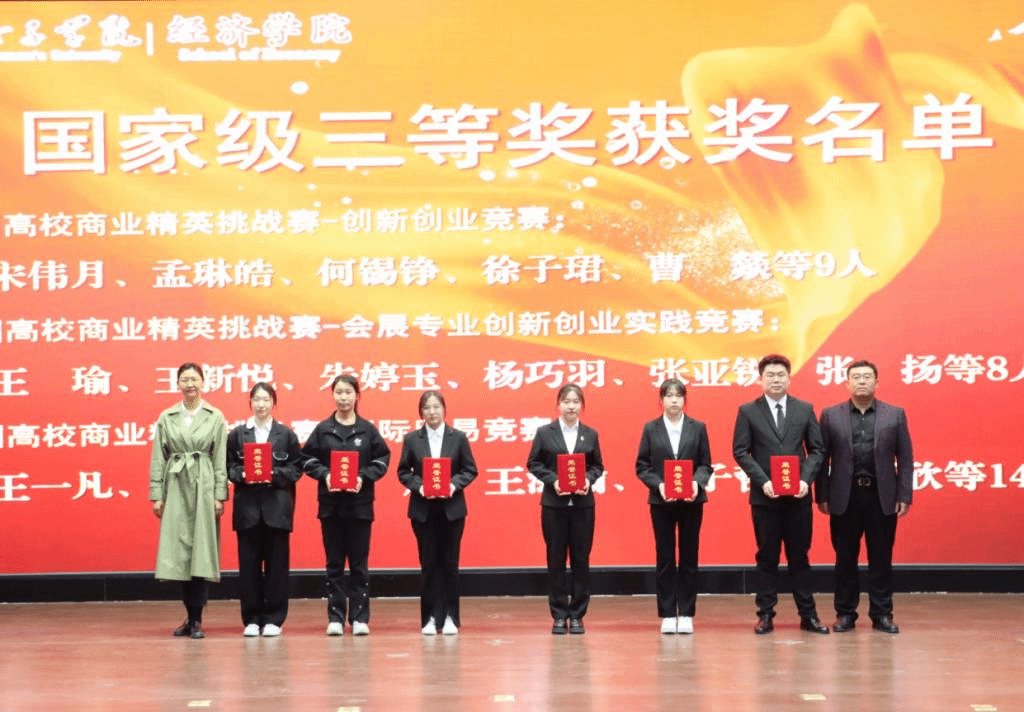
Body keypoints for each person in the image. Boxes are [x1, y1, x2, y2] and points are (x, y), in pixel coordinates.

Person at [732, 354, 827, 635]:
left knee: (800, 557)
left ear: (789, 378)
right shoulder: (748, 411)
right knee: (767, 557)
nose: (776, 379)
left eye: (781, 374)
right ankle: (765, 615)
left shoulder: (804, 409)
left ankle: (808, 615)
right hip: (765, 498)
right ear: (761, 379)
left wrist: (805, 479)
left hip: (798, 498)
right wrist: (763, 481)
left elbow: (817, 449)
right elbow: (740, 451)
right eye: (770, 375)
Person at [816, 360, 913, 634]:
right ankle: (845, 613)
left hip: (881, 496)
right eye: (856, 377)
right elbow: (822, 459)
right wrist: (822, 494)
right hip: (844, 496)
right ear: (846, 383)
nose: (861, 381)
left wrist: (904, 493)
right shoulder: (831, 415)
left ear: (876, 382)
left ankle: (882, 614)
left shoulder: (894, 414)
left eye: (867, 377)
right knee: (845, 558)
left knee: (881, 559)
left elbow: (905, 458)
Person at [301, 374, 391, 636]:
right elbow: (306, 459)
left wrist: (363, 477)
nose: (343, 398)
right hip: (331, 507)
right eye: (339, 392)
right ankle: (336, 617)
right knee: (334, 563)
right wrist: (326, 475)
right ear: (333, 395)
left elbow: (382, 460)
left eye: (348, 392)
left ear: (357, 396)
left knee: (359, 564)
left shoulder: (367, 430)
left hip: (360, 506)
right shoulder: (323, 429)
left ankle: (360, 617)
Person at [149, 362, 228, 639]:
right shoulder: (167, 416)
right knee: (180, 553)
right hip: (176, 485)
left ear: (203, 382)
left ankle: (197, 620)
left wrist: (219, 494)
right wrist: (157, 494)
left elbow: (220, 457)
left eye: (194, 379)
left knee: (201, 551)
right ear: (178, 384)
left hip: (204, 485)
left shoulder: (215, 416)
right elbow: (158, 457)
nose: (190, 384)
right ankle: (190, 616)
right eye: (185, 379)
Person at [397, 391, 479, 636]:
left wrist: (453, 485)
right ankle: (430, 618)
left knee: (450, 564)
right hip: (423, 511)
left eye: (436, 407)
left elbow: (470, 469)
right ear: (421, 412)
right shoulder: (412, 439)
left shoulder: (458, 437)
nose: (432, 412)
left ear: (444, 409)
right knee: (429, 565)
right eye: (427, 407)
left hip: (452, 510)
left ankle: (451, 617)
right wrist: (420, 486)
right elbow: (403, 472)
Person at [225, 382, 304, 637]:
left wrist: (273, 474)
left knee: (277, 567)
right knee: (248, 567)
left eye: (266, 400)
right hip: (247, 510)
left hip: (276, 509)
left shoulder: (286, 435)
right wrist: (242, 473)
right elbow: (228, 467)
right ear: (250, 403)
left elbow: (296, 468)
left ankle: (274, 619)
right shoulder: (238, 435)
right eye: (257, 399)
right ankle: (251, 618)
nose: (261, 404)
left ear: (273, 403)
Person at [635, 379, 713, 634]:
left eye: (678, 395)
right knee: (665, 558)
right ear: (661, 400)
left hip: (692, 501)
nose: (674, 400)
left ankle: (687, 613)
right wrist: (659, 485)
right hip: (661, 502)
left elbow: (706, 465)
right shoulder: (651, 428)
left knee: (689, 557)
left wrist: (696, 483)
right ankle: (668, 613)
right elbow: (642, 467)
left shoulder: (697, 427)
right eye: (668, 395)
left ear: (684, 400)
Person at [527, 384, 604, 635]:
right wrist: (553, 481)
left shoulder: (590, 434)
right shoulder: (545, 433)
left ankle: (578, 614)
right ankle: (559, 615)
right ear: (558, 404)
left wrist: (588, 480)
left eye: (575, 401)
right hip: (554, 506)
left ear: (582, 405)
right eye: (566, 401)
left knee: (581, 560)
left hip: (583, 506)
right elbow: (533, 463)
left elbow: (597, 466)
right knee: (556, 560)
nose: (571, 406)